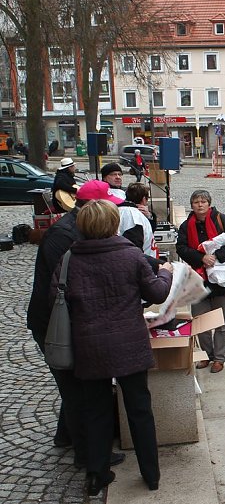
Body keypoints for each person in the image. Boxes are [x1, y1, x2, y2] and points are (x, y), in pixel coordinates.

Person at [56, 199, 173, 495]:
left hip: (90, 346)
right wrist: (166, 272)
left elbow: (57, 301)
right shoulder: (130, 255)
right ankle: (151, 474)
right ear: (113, 224)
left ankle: (96, 473)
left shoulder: (69, 259)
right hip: (128, 343)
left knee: (95, 411)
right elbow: (157, 293)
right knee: (139, 410)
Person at [27, 181, 126, 467]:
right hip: (56, 325)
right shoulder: (64, 236)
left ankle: (66, 436)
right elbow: (76, 286)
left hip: (70, 321)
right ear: (93, 207)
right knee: (76, 390)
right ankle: (89, 457)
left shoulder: (79, 229)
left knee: (75, 385)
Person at [176, 190, 225, 374]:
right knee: (200, 321)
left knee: (222, 323)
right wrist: (201, 257)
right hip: (198, 280)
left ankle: (219, 359)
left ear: (209, 204)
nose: (200, 205)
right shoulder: (185, 226)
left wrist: (216, 257)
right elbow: (181, 247)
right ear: (192, 205)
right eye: (196, 202)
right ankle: (206, 355)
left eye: (203, 201)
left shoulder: (222, 220)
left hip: (223, 280)